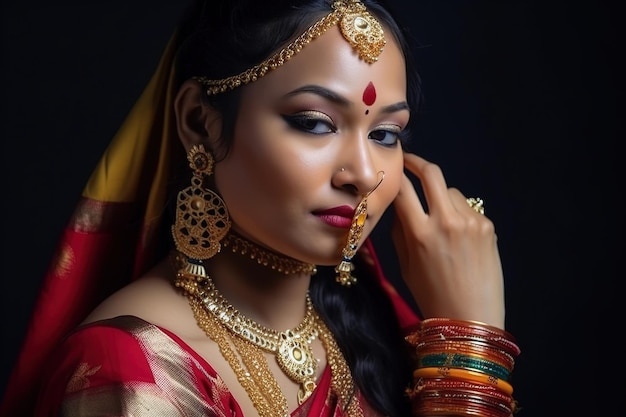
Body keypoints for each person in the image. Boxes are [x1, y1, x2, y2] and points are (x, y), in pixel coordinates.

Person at [1, 0, 520, 416]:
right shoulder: (132, 371)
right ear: (200, 122)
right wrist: (471, 357)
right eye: (315, 122)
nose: (363, 173)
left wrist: (459, 336)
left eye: (386, 133)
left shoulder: (367, 335)